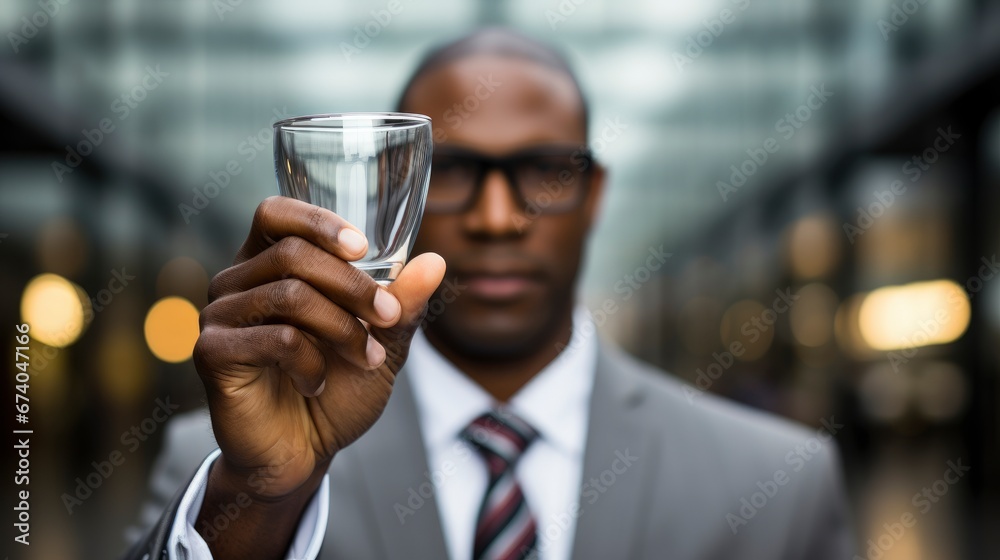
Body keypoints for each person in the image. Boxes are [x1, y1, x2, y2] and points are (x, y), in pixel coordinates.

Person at [125, 28, 854, 560]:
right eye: (454, 170)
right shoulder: (226, 469)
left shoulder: (779, 483)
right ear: (392, 189)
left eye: (543, 172)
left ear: (593, 195)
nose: (498, 218)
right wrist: (263, 497)